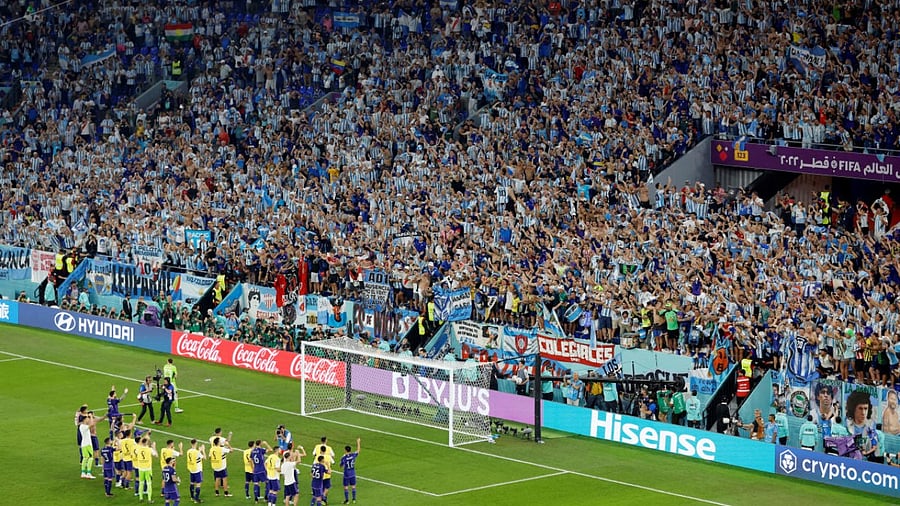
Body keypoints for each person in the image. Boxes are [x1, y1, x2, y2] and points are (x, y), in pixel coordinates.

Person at [846, 390, 879, 462]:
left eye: (865, 408)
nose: (863, 413)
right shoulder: (846, 425)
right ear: (854, 409)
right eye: (860, 408)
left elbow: (875, 446)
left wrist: (866, 453)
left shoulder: (871, 428)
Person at [135, 436, 159, 502]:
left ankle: (141, 498)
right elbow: (156, 455)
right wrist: (154, 447)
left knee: (141, 483)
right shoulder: (149, 449)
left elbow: (136, 452)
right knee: (149, 484)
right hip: (148, 468)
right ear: (146, 442)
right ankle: (149, 499)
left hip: (140, 468)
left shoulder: (138, 449)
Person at [340, 439, 360, 505]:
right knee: (353, 486)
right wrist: (358, 442)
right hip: (353, 473)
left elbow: (341, 466)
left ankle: (347, 500)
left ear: (345, 450)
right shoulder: (353, 455)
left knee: (346, 487)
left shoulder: (344, 457)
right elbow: (358, 450)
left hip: (346, 474)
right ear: (350, 450)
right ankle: (354, 499)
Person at [186, 438, 206, 504]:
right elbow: (204, 458)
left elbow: (195, 457)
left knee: (192, 483)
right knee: (198, 485)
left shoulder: (188, 451)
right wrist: (203, 450)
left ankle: (192, 497)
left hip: (191, 469)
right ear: (196, 443)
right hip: (197, 470)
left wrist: (199, 450)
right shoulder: (197, 452)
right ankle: (196, 499)